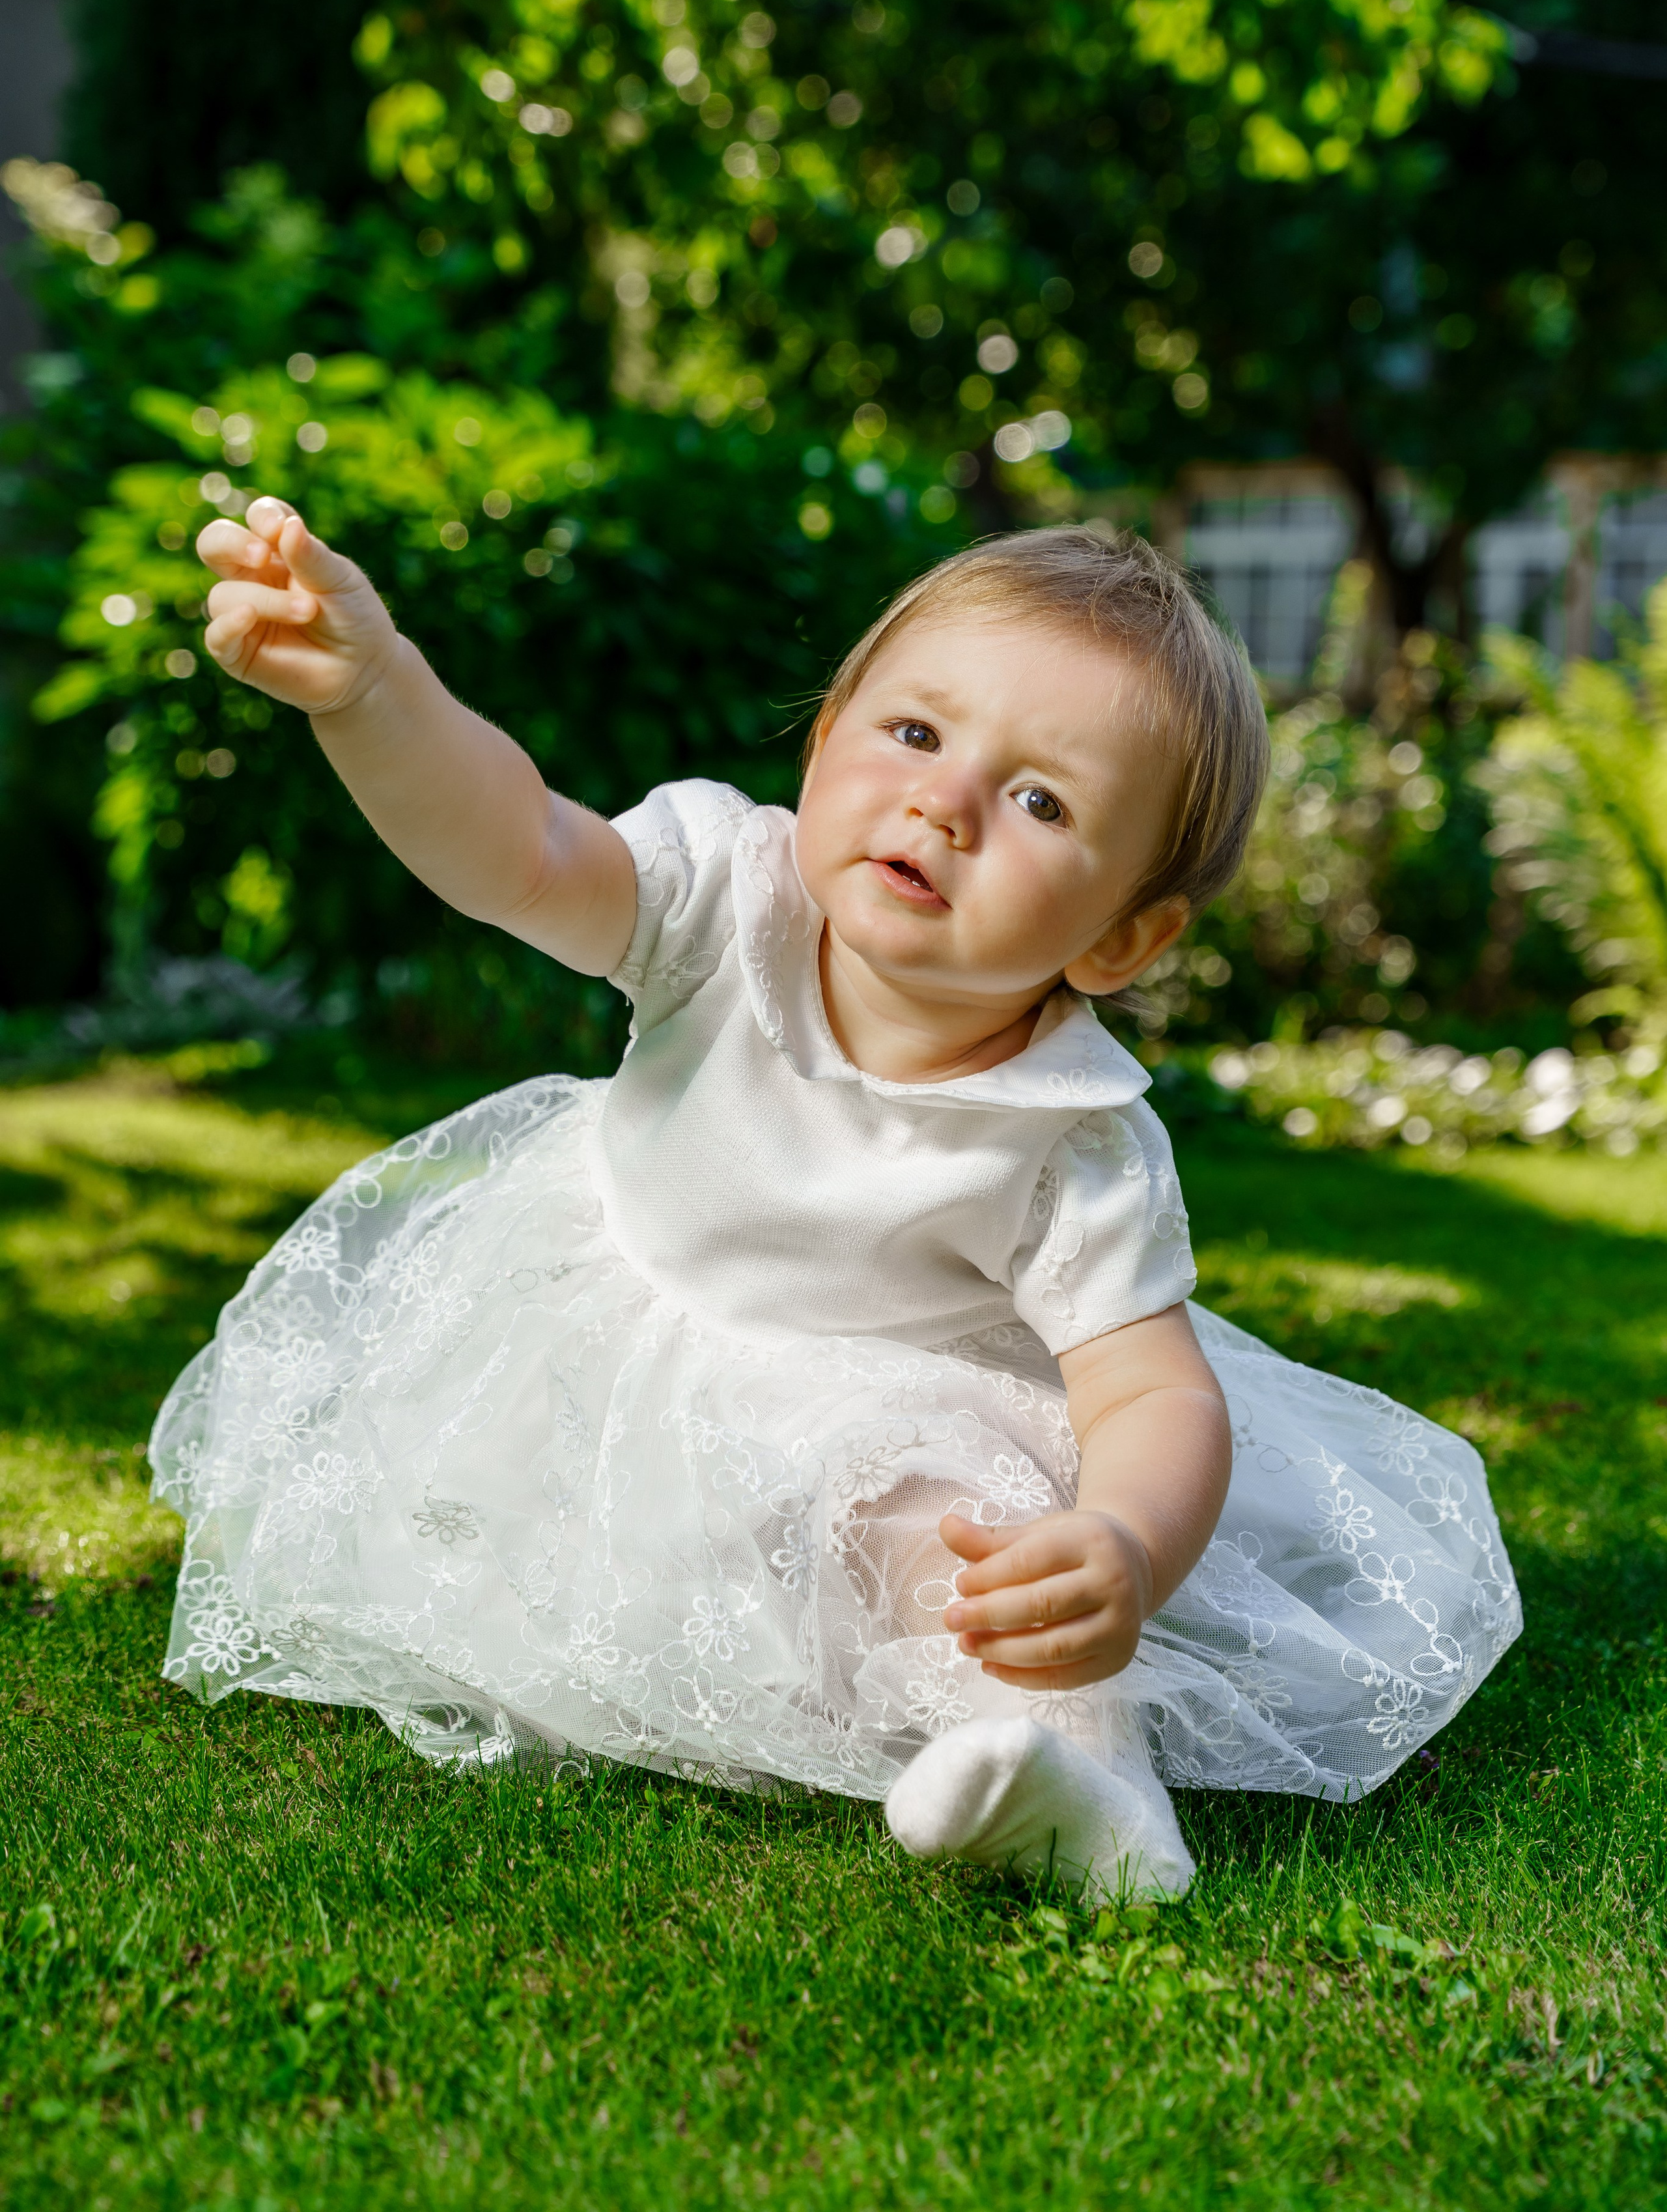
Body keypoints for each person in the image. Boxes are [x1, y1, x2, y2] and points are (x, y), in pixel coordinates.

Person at [149, 500, 1520, 1901]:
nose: (943, 803)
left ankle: (1079, 1776)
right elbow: (517, 849)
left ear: (1120, 935)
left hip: (879, 1405)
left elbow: (1150, 1399)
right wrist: (380, 691)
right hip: (611, 1360)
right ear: (822, 749)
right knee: (485, 1525)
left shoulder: (1067, 1139)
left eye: (1039, 801)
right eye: (914, 735)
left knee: (947, 1527)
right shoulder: (716, 903)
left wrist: (1120, 1544)